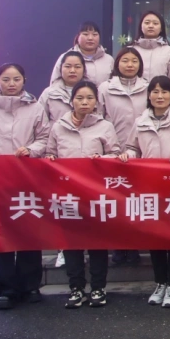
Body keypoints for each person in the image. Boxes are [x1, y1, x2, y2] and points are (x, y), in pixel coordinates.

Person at [0, 63, 49, 310]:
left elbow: (45, 138)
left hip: (28, 179)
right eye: (6, 79)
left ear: (24, 80)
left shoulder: (36, 108)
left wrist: (32, 149)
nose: (11, 84)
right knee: (1, 233)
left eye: (16, 79)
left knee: (29, 231)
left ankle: (30, 285)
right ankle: (7, 288)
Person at [120, 76, 170, 308]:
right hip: (150, 186)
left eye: (164, 92)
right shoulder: (141, 120)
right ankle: (160, 282)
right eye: (155, 91)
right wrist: (129, 155)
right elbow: (132, 147)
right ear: (149, 95)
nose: (159, 96)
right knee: (155, 237)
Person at [45, 80, 122, 308]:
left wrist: (102, 159)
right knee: (72, 245)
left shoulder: (104, 126)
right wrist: (50, 159)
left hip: (95, 195)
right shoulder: (59, 127)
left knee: (97, 244)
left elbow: (116, 154)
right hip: (67, 195)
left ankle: (98, 288)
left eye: (89, 98)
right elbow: (50, 153)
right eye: (79, 98)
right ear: (72, 101)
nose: (84, 102)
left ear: (96, 102)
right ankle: (76, 288)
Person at [98, 47, 149, 266]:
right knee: (115, 200)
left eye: (134, 61)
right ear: (117, 63)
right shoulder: (105, 88)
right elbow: (97, 117)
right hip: (112, 149)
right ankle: (118, 246)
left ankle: (134, 244)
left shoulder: (148, 87)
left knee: (135, 201)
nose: (129, 65)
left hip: (139, 151)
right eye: (125, 60)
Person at [49, 21, 113, 86]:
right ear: (77, 37)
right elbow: (54, 83)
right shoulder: (66, 57)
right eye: (85, 34)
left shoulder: (109, 59)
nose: (90, 38)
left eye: (94, 34)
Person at [41, 51, 86, 123]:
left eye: (77, 67)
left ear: (84, 70)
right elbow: (40, 122)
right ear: (60, 69)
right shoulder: (49, 93)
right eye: (68, 66)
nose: (72, 70)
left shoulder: (93, 92)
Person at [133, 11, 170, 81]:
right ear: (141, 27)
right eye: (147, 23)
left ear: (161, 28)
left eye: (155, 23)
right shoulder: (131, 50)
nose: (151, 26)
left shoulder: (169, 51)